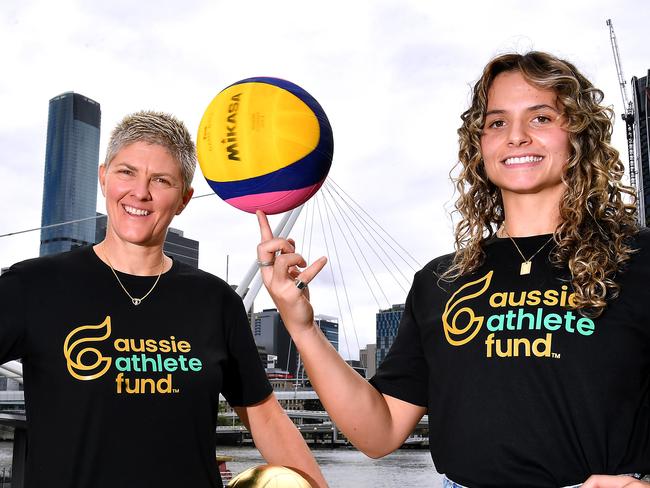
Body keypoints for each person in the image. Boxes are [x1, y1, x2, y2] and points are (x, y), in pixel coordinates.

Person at [256, 51, 650, 487]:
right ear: (479, 144)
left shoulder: (638, 260)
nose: (516, 136)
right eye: (497, 122)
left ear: (578, 133)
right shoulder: (441, 281)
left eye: (540, 118)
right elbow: (378, 433)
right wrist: (302, 327)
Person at [0, 111, 327, 488]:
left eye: (161, 180)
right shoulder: (34, 285)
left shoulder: (215, 301)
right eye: (126, 172)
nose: (140, 192)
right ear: (103, 176)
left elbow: (265, 417)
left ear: (184, 198)